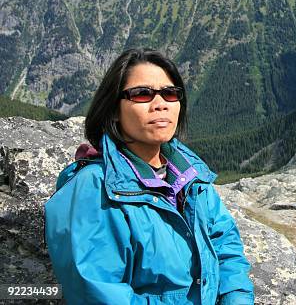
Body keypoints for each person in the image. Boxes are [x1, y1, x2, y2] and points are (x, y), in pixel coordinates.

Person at [44, 48, 255, 304]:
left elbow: (224, 243)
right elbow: (99, 294)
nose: (160, 104)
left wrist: (236, 298)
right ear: (113, 110)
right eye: (142, 94)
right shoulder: (95, 191)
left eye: (170, 93)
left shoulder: (189, 174)